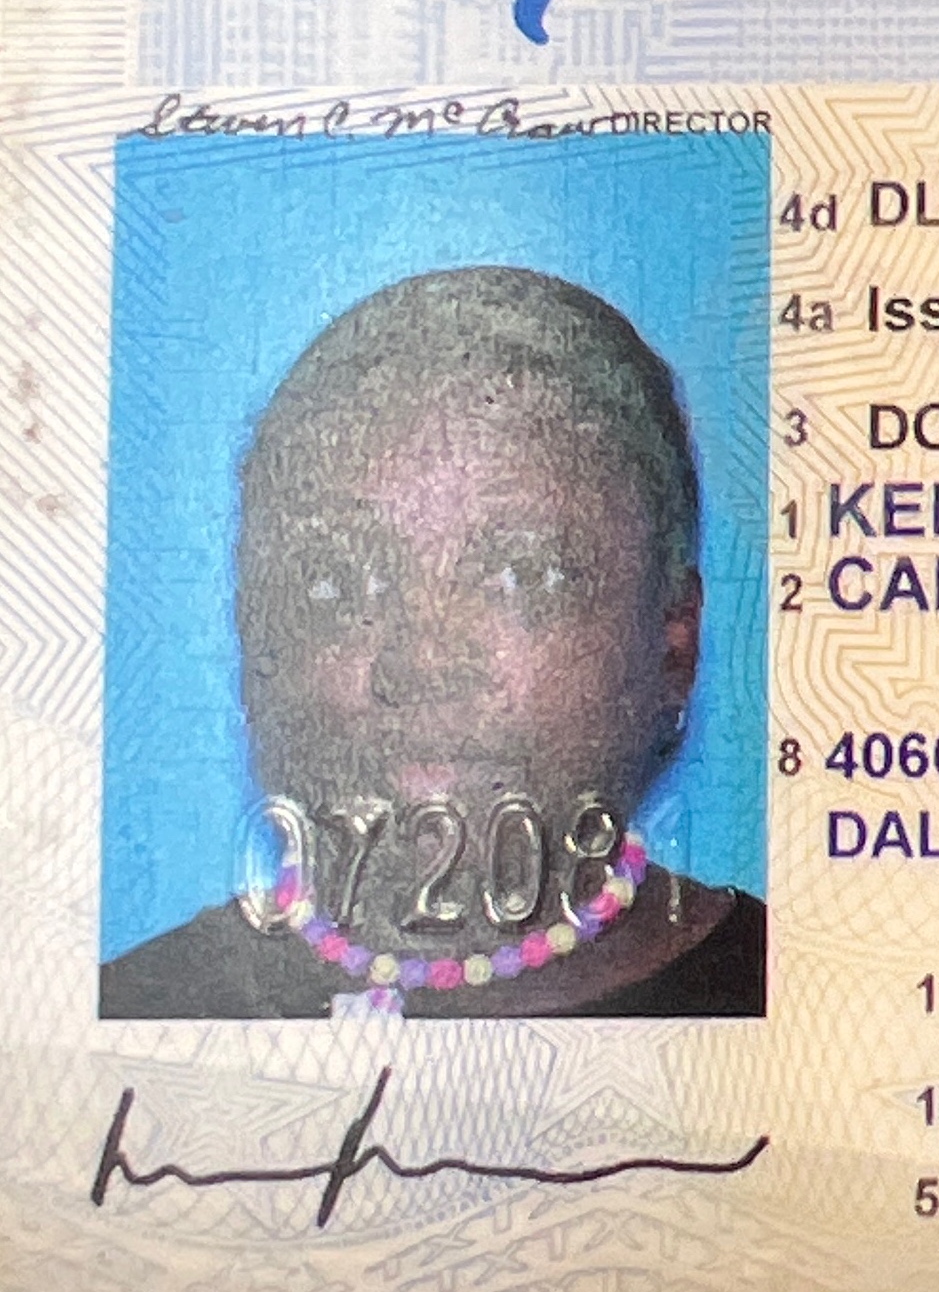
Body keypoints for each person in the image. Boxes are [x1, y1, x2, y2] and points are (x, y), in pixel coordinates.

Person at [100, 267, 766, 1018]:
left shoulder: (797, 998)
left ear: (673, 645)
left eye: (523, 574)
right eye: (336, 582)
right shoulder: (139, 1010)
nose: (423, 661)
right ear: (259, 643)